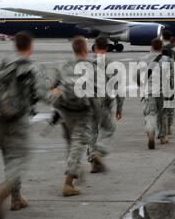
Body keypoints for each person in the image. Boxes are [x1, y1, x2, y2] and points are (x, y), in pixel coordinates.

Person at [0, 32, 60, 219]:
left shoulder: (1, 63)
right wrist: (56, 93)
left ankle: (16, 198)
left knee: (8, 157)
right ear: (30, 46)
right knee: (18, 159)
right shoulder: (33, 66)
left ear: (15, 46)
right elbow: (42, 94)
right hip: (18, 119)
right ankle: (5, 190)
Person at [52, 36, 96, 197]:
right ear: (85, 49)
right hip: (82, 112)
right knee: (78, 145)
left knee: (71, 144)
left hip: (64, 112)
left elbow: (52, 88)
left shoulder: (63, 65)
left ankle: (75, 170)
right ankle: (68, 183)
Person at [89, 37, 124, 173]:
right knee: (109, 129)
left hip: (88, 103)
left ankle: (93, 161)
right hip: (104, 104)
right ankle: (98, 151)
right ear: (107, 48)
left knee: (92, 132)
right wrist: (119, 108)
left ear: (94, 47)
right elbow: (119, 89)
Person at [137, 38, 174, 148]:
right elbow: (173, 76)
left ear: (151, 47)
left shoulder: (142, 59)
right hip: (164, 90)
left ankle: (150, 131)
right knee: (163, 113)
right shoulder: (167, 60)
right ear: (162, 47)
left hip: (149, 91)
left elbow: (139, 77)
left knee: (150, 114)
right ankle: (163, 136)